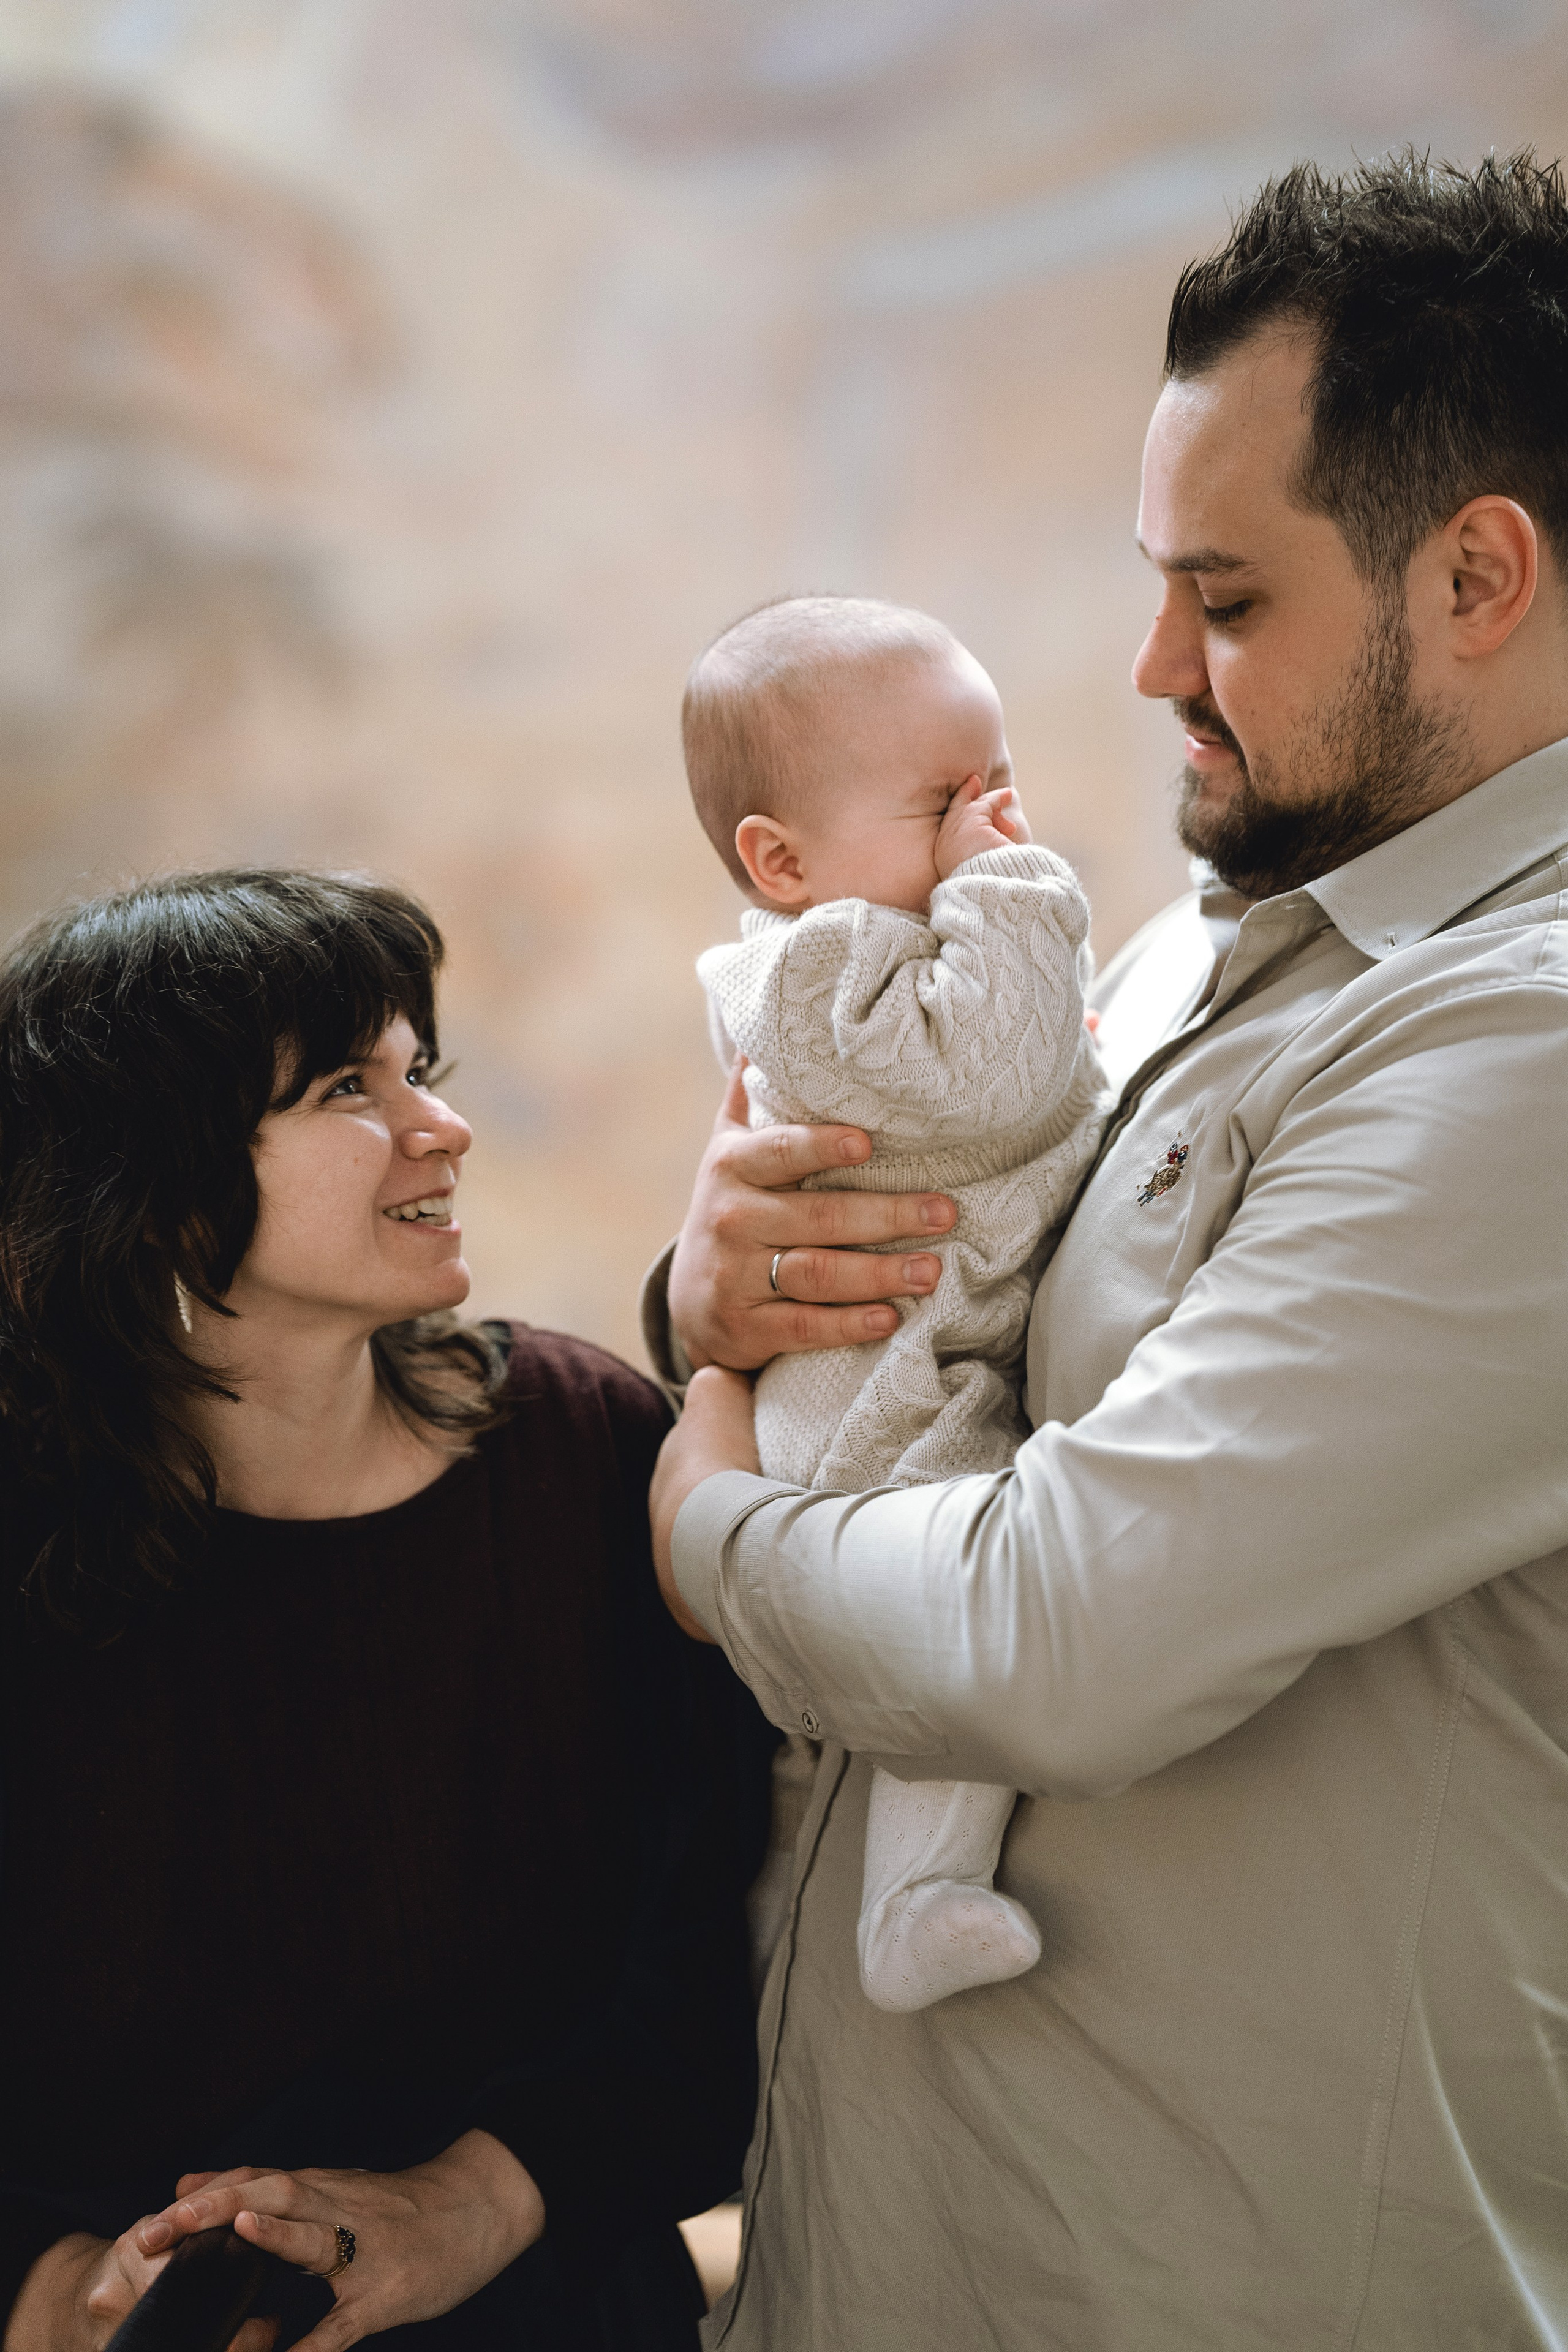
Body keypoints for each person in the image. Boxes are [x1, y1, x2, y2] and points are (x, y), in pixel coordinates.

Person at [644, 151, 1568, 2348]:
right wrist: (722, 1297)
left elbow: (1070, 1631)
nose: (1153, 665)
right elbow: (951, 1290)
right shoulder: (1197, 948)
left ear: (1481, 574)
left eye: (1228, 600)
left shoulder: (1532, 1037)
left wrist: (707, 1523)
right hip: (880, 2261)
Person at [0, 869, 762, 2352]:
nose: (442, 1127)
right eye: (350, 1085)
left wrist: (479, 2201)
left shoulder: (586, 1448)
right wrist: (51, 2292)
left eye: (423, 1069)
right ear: (148, 1181)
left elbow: (721, 1957)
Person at [685, 594, 1104, 2011]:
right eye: (944, 799)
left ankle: (886, 1897)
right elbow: (988, 1094)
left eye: (998, 782)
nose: (993, 822)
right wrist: (1019, 889)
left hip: (906, 1354)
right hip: (875, 1397)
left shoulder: (868, 956)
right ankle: (914, 1902)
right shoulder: (818, 973)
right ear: (780, 859)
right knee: (956, 1602)